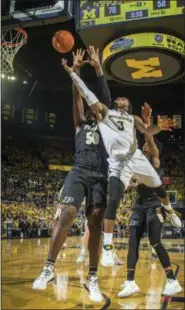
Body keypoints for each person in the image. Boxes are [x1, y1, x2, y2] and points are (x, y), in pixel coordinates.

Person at [61, 58, 181, 269]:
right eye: (119, 98)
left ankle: (169, 210)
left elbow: (147, 131)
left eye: (124, 98)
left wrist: (158, 127)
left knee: (159, 186)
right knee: (113, 200)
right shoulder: (105, 114)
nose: (121, 98)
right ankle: (107, 247)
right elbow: (88, 94)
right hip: (118, 163)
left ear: (128, 105)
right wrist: (73, 74)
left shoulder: (133, 118)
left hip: (136, 156)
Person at [33, 49, 110, 303]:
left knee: (96, 225)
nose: (90, 108)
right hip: (78, 171)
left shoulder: (105, 123)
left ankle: (92, 277)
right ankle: (48, 268)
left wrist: (98, 69)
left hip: (100, 176)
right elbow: (77, 96)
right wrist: (76, 70)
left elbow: (104, 98)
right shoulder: (79, 123)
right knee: (66, 214)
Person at [118, 103, 182, 298]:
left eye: (148, 144)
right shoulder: (136, 159)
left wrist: (147, 123)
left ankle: (172, 280)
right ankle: (130, 282)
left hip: (154, 204)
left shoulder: (154, 158)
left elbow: (148, 136)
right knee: (132, 243)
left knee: (155, 242)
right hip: (139, 205)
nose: (145, 144)